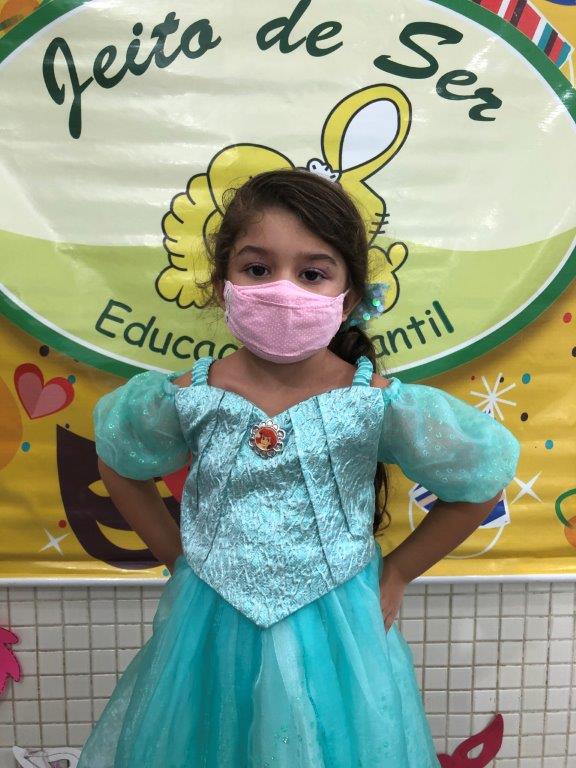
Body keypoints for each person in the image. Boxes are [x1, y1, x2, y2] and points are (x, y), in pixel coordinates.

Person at [77, 168, 520, 767]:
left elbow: (480, 478)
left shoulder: (376, 404)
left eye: (312, 273)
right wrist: (176, 554)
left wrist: (397, 574)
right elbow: (119, 457)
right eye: (258, 268)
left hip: (338, 634)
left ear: (349, 296)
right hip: (209, 628)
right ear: (222, 283)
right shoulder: (187, 396)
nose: (282, 290)